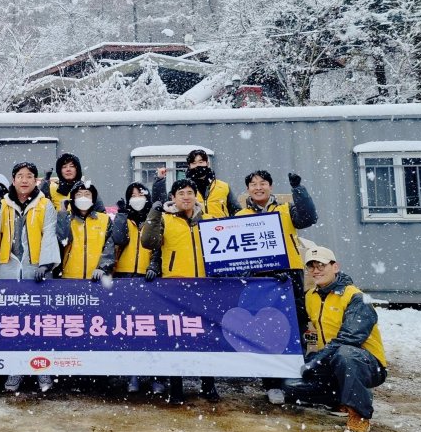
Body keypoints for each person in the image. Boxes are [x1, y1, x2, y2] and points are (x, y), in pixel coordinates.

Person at [278, 247, 387, 432]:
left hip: (366, 364)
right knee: (291, 386)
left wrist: (316, 360)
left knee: (346, 354)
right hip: (330, 360)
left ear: (335, 267)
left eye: (321, 265)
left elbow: (350, 338)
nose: (316, 270)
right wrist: (277, 285)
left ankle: (359, 415)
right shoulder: (311, 296)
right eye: (311, 267)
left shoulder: (355, 297)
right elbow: (292, 317)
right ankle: (338, 400)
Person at [0, 162, 59, 393]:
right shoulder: (3, 203)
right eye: (20, 176)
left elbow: (50, 234)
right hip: (10, 267)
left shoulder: (44, 205)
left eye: (29, 176)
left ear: (35, 180)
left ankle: (43, 369)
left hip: (36, 268)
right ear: (13, 180)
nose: (24, 180)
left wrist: (45, 265)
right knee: (13, 322)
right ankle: (15, 369)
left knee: (41, 322)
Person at [140, 178, 220, 403]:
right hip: (175, 286)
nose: (186, 196)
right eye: (181, 193)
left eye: (190, 192)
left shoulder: (209, 220)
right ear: (173, 198)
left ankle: (208, 385)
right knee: (176, 338)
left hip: (204, 285)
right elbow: (148, 241)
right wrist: (155, 213)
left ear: (196, 196)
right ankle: (176, 387)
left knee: (206, 337)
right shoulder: (164, 219)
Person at [236, 171, 317, 347]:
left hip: (289, 271)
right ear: (248, 189)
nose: (258, 187)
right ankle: (268, 368)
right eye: (253, 184)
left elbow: (309, 218)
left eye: (263, 183)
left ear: (270, 186)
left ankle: (296, 359)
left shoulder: (286, 209)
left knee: (295, 315)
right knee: (262, 320)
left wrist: (298, 189)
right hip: (258, 275)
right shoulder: (240, 216)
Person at [111, 183, 160, 393]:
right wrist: (122, 214)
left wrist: (154, 266)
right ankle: (133, 375)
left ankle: (157, 375)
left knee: (152, 328)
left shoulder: (156, 218)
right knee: (130, 328)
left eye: (140, 194)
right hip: (125, 276)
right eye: (132, 195)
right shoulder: (124, 219)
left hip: (148, 278)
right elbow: (118, 239)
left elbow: (160, 246)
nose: (136, 198)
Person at [57, 181, 114, 281]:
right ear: (73, 199)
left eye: (87, 194)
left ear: (93, 199)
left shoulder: (104, 220)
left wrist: (102, 267)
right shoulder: (67, 218)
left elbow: (110, 247)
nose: (83, 198)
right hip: (69, 277)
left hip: (97, 278)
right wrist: (63, 212)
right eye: (79, 195)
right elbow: (62, 240)